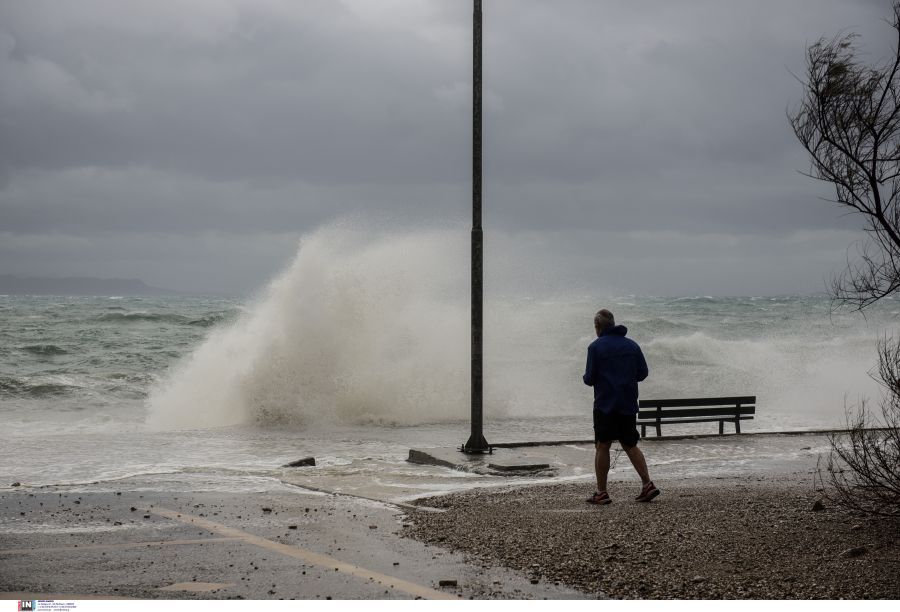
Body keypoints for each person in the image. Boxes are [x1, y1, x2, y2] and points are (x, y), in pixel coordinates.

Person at [582, 308, 659, 504]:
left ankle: (601, 492)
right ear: (613, 324)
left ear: (598, 327)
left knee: (603, 445)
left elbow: (589, 379)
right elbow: (642, 373)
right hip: (627, 403)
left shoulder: (595, 347)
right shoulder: (632, 346)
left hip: (605, 404)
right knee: (630, 444)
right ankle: (647, 484)